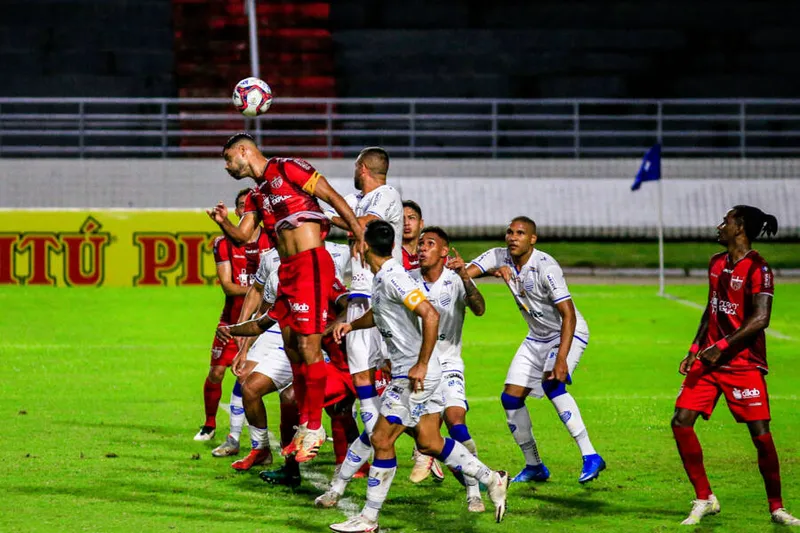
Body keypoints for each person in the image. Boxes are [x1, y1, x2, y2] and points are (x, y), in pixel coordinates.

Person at [321, 221, 509, 532]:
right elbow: (381, 313)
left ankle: (368, 519)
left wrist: (420, 364)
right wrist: (351, 325)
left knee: (381, 438)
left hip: (414, 375)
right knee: (429, 442)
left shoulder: (394, 278)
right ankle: (492, 478)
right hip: (418, 371)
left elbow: (430, 314)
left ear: (364, 247)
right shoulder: (385, 276)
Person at [207, 133, 364, 463]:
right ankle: (306, 425)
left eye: (228, 159)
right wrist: (223, 223)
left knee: (308, 345)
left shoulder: (287, 168)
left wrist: (359, 233)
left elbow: (332, 196)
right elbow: (242, 237)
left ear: (244, 151)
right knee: (292, 345)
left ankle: (314, 427)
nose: (226, 166)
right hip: (288, 271)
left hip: (310, 263)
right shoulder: (256, 195)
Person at [672, 205, 799, 526]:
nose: (719, 226)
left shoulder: (759, 268)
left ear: (740, 228)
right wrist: (695, 349)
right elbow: (711, 309)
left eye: (725, 222)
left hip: (743, 362)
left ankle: (777, 508)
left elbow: (761, 318)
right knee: (681, 421)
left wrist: (722, 346)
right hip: (709, 360)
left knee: (760, 435)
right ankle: (705, 498)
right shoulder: (716, 263)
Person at [466, 216, 605, 484]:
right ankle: (535, 466)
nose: (512, 237)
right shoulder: (499, 256)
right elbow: (465, 273)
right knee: (510, 398)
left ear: (532, 239)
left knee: (553, 384)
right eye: (509, 232)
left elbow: (568, 314)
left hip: (567, 331)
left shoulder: (546, 266)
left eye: (520, 233)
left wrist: (561, 358)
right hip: (537, 337)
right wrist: (490, 271)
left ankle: (591, 455)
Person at [216, 258, 362, 485]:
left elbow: (350, 305)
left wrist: (333, 326)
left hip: (353, 364)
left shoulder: (323, 284)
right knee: (292, 398)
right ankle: (291, 466)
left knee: (389, 421)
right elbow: (259, 324)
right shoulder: (287, 296)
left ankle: (354, 459)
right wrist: (231, 330)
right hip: (324, 361)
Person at [328, 147, 403, 439]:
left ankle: (425, 446)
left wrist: (330, 217)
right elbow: (333, 214)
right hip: (358, 297)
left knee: (396, 373)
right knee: (361, 377)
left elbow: (362, 224)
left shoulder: (387, 195)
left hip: (384, 296)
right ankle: (377, 441)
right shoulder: (353, 201)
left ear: (362, 168)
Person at [414, 226, 488, 512]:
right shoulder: (408, 280)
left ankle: (474, 492)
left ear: (444, 251)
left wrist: (466, 277)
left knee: (457, 423)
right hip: (418, 367)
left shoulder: (455, 281)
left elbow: (479, 309)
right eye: (421, 244)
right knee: (404, 432)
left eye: (430, 244)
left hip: (448, 364)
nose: (422, 248)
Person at [196, 188, 271, 446]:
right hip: (232, 320)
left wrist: (262, 294)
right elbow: (228, 286)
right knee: (216, 372)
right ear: (237, 211)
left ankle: (300, 430)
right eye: (241, 205)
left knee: (250, 376)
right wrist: (259, 289)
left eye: (249, 206)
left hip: (264, 322)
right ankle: (209, 424)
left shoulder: (272, 240)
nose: (245, 209)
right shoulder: (223, 243)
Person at [401, 200, 424, 271]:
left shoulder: (431, 252)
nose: (406, 223)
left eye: (411, 218)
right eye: (401, 219)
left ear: (421, 223)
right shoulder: (390, 255)